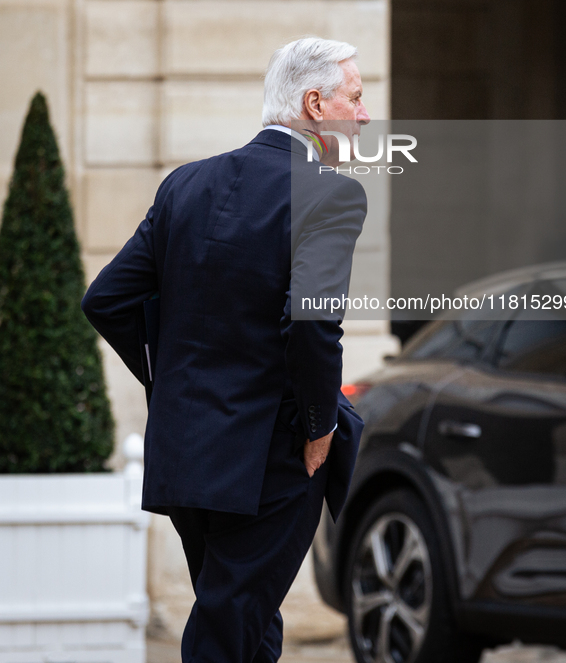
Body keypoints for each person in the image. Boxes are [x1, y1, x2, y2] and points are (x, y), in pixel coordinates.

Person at [82, 37, 369, 663]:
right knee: (229, 623)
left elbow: (105, 300)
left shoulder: (186, 184)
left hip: (188, 449)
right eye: (355, 96)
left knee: (246, 620)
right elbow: (312, 326)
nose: (365, 115)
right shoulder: (333, 192)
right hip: (275, 455)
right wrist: (320, 425)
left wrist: (173, 384)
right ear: (315, 105)